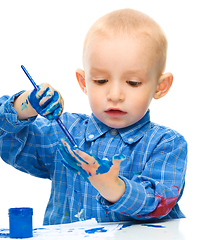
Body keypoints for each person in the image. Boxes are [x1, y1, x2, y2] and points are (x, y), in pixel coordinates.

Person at [0, 8, 187, 225]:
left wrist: (110, 184)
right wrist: (27, 105)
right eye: (100, 81)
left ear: (160, 87)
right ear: (83, 82)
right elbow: (7, 140)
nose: (115, 95)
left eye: (133, 83)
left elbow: (158, 203)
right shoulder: (63, 132)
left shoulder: (167, 143)